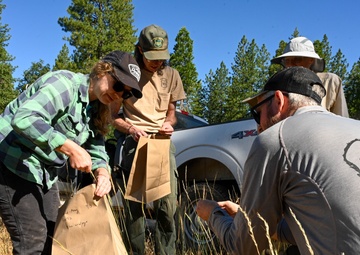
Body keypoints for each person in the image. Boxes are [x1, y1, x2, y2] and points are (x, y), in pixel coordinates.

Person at [196, 66, 360, 254]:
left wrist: (213, 214)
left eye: (257, 113)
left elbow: (244, 247)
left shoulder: (275, 138)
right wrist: (244, 215)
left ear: (279, 100)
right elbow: (312, 228)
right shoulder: (354, 126)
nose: (258, 126)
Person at [0, 50, 142, 254]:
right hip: (12, 159)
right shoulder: (65, 85)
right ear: (103, 70)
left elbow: (97, 146)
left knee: (54, 237)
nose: (118, 94)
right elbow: (24, 118)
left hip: (44, 173)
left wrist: (103, 172)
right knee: (32, 243)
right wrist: (70, 147)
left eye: (125, 93)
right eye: (118, 85)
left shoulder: (98, 107)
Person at [111, 24, 186, 255]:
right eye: (152, 57)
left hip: (162, 145)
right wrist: (131, 129)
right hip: (135, 143)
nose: (157, 62)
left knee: (167, 208)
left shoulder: (171, 75)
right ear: (140, 50)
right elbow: (113, 116)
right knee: (134, 209)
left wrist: (168, 123)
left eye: (161, 57)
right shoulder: (125, 72)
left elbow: (172, 114)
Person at [271, 36, 349, 117]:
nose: (291, 65)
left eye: (297, 59)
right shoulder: (278, 85)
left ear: (311, 60)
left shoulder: (329, 81)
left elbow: (342, 118)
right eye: (287, 61)